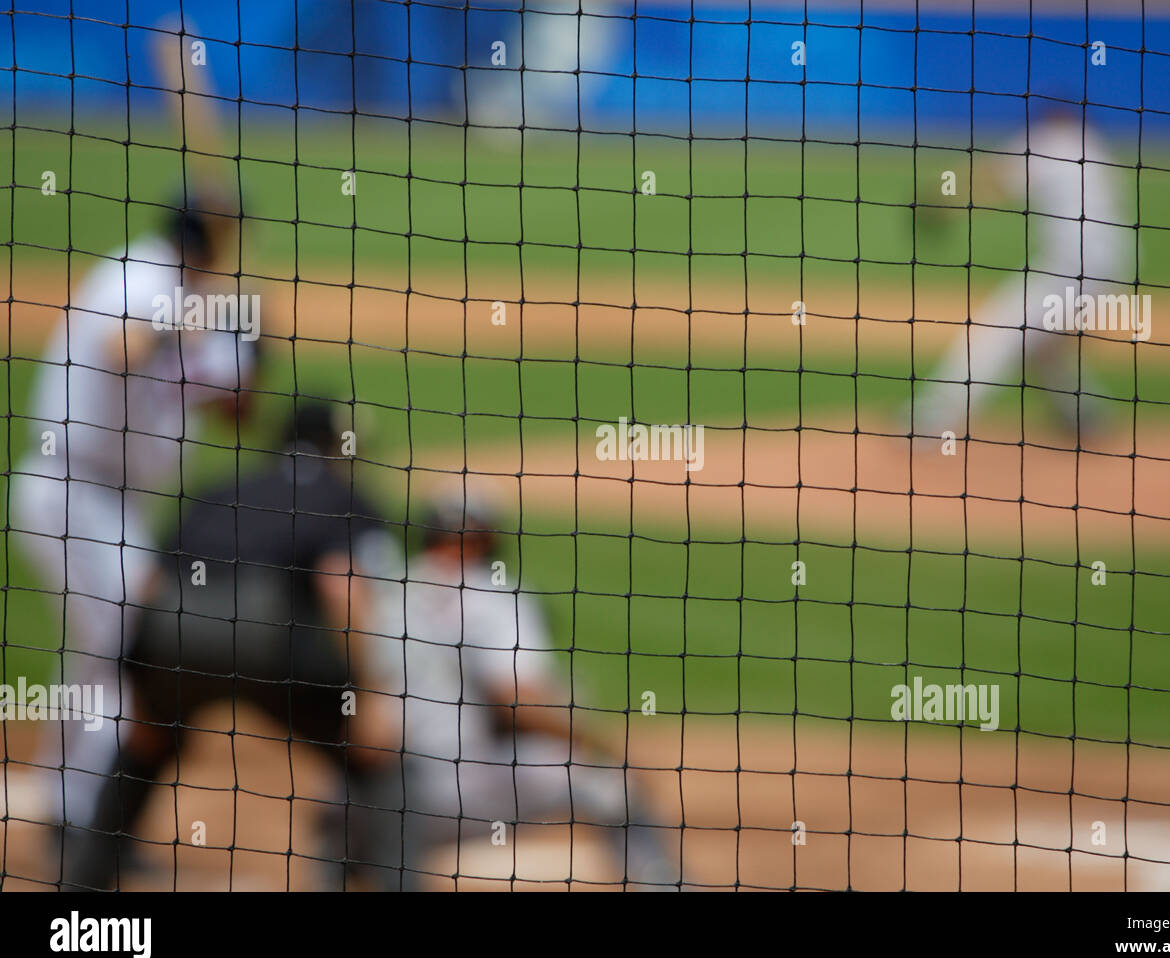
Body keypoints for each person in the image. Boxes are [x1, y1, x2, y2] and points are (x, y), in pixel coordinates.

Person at [58, 401, 400, 890]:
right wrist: (368, 691)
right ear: (332, 447)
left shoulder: (222, 489)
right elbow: (339, 584)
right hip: (265, 640)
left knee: (146, 747)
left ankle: (80, 890)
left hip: (173, 636)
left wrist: (139, 678)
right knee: (378, 760)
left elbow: (151, 581)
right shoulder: (343, 495)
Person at [8, 195, 258, 849]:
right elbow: (122, 345)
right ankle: (87, 819)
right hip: (73, 491)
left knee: (102, 651)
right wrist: (191, 312)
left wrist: (247, 340)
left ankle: (73, 805)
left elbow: (238, 405)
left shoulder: (194, 302)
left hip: (115, 510)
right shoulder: (141, 275)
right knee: (127, 648)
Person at [360, 494, 681, 890]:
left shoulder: (389, 594)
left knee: (339, 830)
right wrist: (605, 746)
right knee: (619, 791)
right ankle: (662, 886)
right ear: (488, 539)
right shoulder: (492, 594)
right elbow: (519, 699)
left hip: (400, 795)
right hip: (477, 786)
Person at [908, 101, 1137, 443]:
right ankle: (1084, 418)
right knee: (1045, 345)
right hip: (1111, 268)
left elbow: (993, 177)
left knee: (996, 330)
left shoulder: (1054, 142)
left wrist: (940, 200)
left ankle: (932, 420)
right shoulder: (1093, 146)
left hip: (1072, 270)